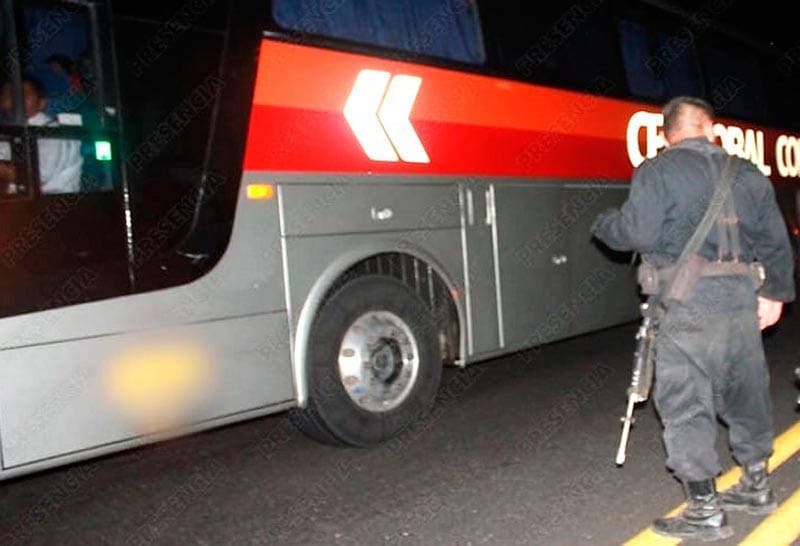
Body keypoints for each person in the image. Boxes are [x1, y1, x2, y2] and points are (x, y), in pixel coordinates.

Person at [591, 96, 795, 541]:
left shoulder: (656, 171)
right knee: (745, 390)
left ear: (666, 135)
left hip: (685, 305)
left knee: (686, 403)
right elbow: (775, 240)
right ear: (712, 129)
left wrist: (604, 223)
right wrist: (776, 293)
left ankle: (704, 508)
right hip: (741, 300)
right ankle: (757, 484)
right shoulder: (746, 173)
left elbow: (635, 233)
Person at [0, 75, 83, 194]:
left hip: (47, 203)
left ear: (42, 103)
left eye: (24, 94)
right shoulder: (10, 130)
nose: (14, 99)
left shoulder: (53, 132)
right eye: (7, 94)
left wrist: (4, 171)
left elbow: (37, 176)